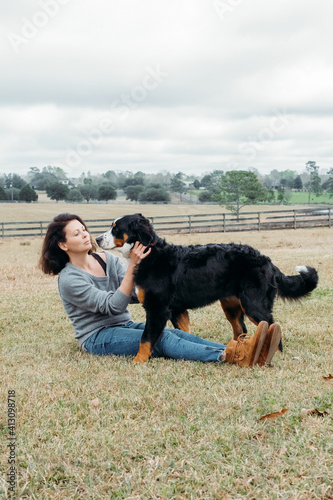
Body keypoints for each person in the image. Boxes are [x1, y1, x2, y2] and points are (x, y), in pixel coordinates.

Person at [39, 213, 282, 367]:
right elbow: (114, 304)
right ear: (62, 244)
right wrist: (134, 265)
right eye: (76, 233)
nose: (85, 234)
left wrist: (167, 286)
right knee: (160, 337)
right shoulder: (70, 279)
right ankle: (231, 355)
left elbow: (139, 296)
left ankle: (246, 348)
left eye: (83, 229)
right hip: (98, 337)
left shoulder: (107, 260)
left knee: (176, 334)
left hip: (123, 326)